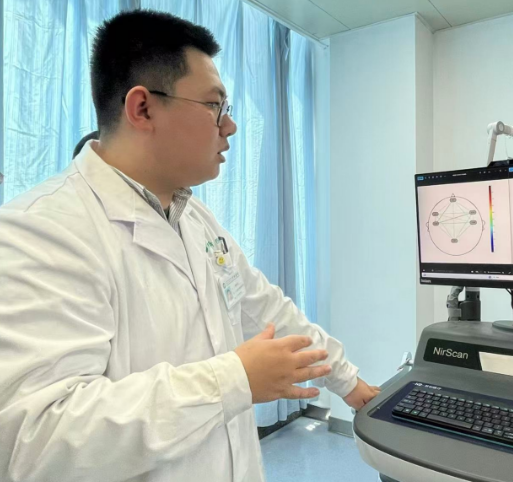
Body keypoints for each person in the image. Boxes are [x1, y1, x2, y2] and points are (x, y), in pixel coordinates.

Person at [0, 10, 379, 482]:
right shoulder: (41, 231)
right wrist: (233, 380)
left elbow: (265, 309)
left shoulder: (194, 218)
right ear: (143, 108)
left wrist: (349, 382)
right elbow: (36, 441)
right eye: (215, 106)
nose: (230, 126)